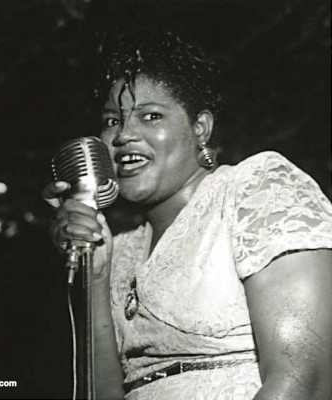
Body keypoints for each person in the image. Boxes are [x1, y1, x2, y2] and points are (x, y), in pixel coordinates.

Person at [43, 29, 332, 400]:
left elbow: (305, 381)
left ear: (201, 128)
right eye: (112, 120)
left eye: (150, 116)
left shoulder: (257, 188)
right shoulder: (118, 249)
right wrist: (94, 275)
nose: (123, 135)